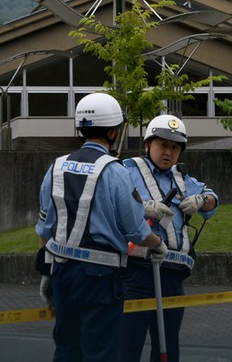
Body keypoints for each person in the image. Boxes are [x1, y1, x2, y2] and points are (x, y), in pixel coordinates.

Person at [36, 92, 169, 362]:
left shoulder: (56, 167)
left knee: (66, 349)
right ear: (113, 130)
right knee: (100, 352)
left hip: (62, 273)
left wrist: (46, 271)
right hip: (100, 277)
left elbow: (44, 228)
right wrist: (158, 244)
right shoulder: (116, 172)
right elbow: (136, 231)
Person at [120, 114, 218, 362]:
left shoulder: (182, 178)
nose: (168, 152)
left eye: (175, 147)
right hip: (137, 272)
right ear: (147, 144)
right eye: (163, 144)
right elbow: (113, 203)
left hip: (173, 274)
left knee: (168, 347)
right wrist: (142, 206)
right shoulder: (126, 171)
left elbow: (213, 198)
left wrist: (203, 200)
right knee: (128, 345)